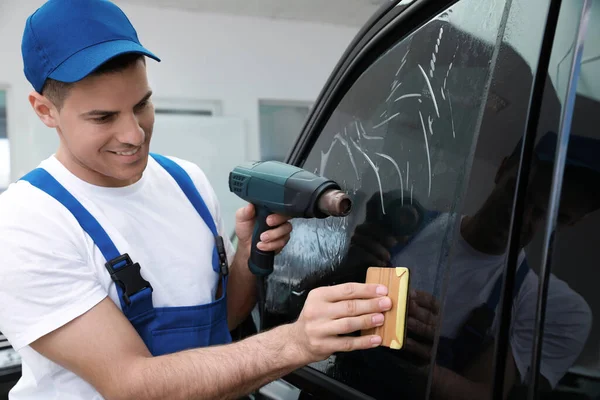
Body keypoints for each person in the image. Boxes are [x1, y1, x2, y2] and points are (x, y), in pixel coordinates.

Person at [0, 1, 393, 399]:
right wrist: (294, 343)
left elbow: (221, 323)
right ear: (45, 110)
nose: (134, 135)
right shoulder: (29, 221)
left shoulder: (187, 181)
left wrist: (246, 256)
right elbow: (132, 385)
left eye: (141, 105)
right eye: (103, 118)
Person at [344, 132, 597, 399]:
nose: (520, 217)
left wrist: (421, 366)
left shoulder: (543, 305)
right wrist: (348, 269)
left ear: (568, 221)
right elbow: (315, 310)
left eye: (544, 213)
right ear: (503, 169)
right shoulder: (402, 226)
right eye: (520, 193)